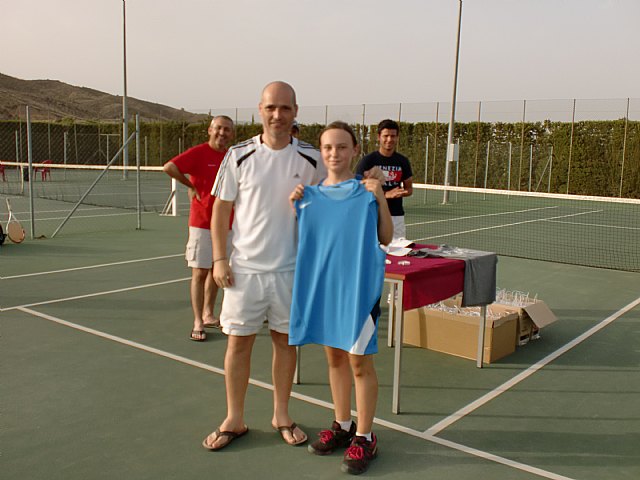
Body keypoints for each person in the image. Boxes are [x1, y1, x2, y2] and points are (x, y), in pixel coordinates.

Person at [202, 81, 325, 451]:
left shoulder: (311, 158)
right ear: (260, 110)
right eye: (271, 108)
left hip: (291, 273)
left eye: (285, 108)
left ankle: (281, 415)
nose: (277, 115)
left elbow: (326, 208)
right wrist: (220, 259)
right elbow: (221, 208)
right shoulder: (238, 155)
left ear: (295, 111)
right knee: (238, 346)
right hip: (244, 273)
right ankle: (234, 419)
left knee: (285, 346)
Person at [288, 121, 392, 475]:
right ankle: (342, 424)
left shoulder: (364, 192)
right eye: (328, 147)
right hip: (325, 294)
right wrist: (295, 206)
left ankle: (365, 436)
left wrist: (378, 194)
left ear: (353, 150)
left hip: (358, 295)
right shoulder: (308, 196)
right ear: (321, 151)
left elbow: (386, 236)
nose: (334, 153)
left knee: (360, 363)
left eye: (342, 147)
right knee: (334, 360)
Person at [163, 116, 234, 342]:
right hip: (202, 223)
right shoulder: (199, 152)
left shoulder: (232, 157)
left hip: (226, 225)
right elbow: (170, 167)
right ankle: (197, 320)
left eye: (227, 130)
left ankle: (209, 314)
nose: (222, 133)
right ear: (210, 130)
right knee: (200, 273)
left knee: (218, 272)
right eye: (219, 128)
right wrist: (190, 186)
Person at [355, 119, 413, 240]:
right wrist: (386, 194)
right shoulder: (368, 161)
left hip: (396, 216)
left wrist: (401, 193)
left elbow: (409, 189)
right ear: (379, 137)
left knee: (398, 253)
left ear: (397, 138)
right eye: (386, 136)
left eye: (393, 136)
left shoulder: (402, 161)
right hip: (373, 215)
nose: (389, 139)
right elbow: (358, 187)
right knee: (373, 252)